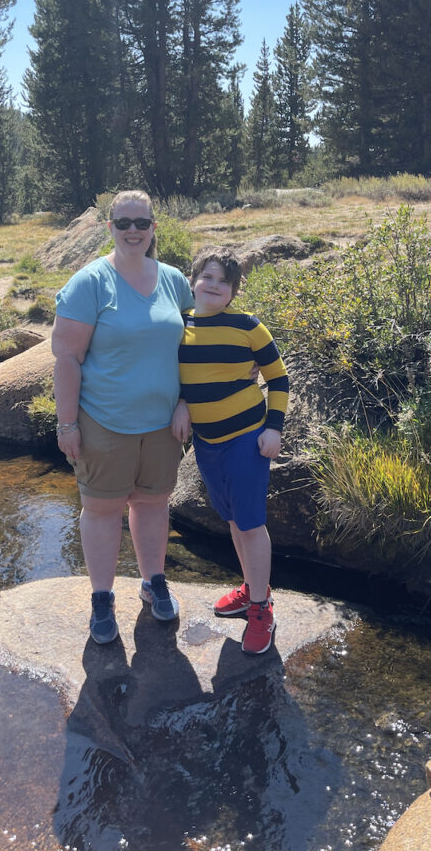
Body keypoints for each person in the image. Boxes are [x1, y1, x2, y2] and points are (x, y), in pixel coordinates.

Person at [52, 190, 193, 644]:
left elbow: (194, 351)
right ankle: (101, 599)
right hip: (103, 422)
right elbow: (67, 360)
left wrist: (186, 402)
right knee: (102, 509)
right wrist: (68, 424)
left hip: (163, 424)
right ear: (109, 227)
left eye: (142, 222)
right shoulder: (89, 283)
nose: (133, 230)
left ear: (154, 227)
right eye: (123, 222)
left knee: (153, 503)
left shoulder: (174, 280)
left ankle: (154, 583)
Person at [172, 246, 289, 655]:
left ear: (234, 292)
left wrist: (273, 429)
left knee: (251, 523)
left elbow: (279, 379)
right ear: (193, 281)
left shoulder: (249, 326)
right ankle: (251, 587)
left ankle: (261, 609)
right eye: (208, 277)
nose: (214, 286)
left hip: (247, 438)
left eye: (225, 281)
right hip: (206, 443)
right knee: (234, 523)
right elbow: (178, 376)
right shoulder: (180, 326)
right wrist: (183, 403)